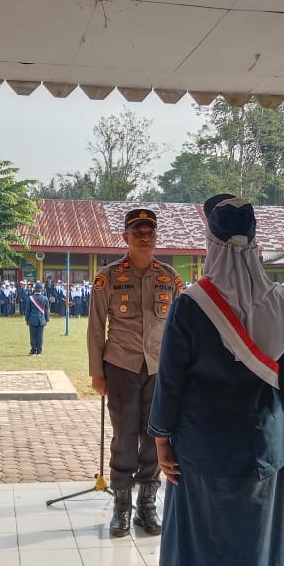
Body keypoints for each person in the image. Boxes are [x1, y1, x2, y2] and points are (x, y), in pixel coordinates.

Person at [148, 195, 284, 566]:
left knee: (203, 544)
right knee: (255, 545)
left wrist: (160, 440)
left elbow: (170, 381)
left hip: (202, 448)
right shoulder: (280, 301)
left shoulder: (194, 303)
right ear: (255, 243)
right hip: (262, 444)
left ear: (211, 244)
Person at [87, 207, 182, 538]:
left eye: (150, 232)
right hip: (122, 368)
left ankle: (147, 507)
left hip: (159, 370)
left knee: (155, 438)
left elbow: (181, 331)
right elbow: (96, 328)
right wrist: (96, 372)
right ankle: (121, 510)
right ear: (125, 237)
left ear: (156, 237)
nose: (144, 237)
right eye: (137, 232)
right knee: (125, 438)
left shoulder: (170, 278)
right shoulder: (109, 277)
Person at [25, 281, 49, 356]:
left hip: (32, 319)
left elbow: (27, 310)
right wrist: (46, 319)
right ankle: (39, 351)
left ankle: (33, 351)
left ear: (34, 289)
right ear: (41, 289)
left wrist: (26, 319)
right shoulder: (45, 298)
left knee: (33, 336)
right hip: (41, 320)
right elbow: (47, 311)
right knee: (40, 336)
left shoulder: (30, 298)